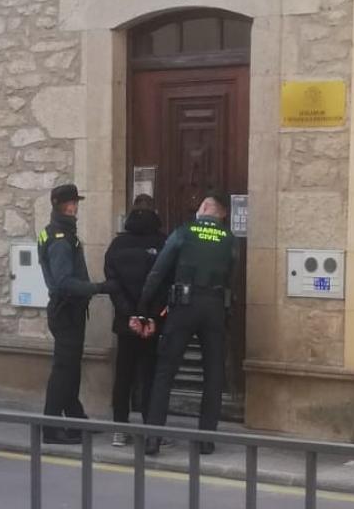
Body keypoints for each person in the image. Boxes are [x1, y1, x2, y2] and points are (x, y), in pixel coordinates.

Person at [138, 190, 236, 455]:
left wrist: (144, 305)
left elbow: (159, 270)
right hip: (214, 308)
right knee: (213, 375)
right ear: (222, 214)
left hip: (183, 306)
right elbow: (232, 278)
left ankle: (153, 438)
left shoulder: (184, 232)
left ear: (204, 207)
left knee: (165, 372)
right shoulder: (229, 238)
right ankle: (205, 440)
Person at [37, 183, 115, 444]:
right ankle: (50, 428)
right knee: (63, 371)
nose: (75, 208)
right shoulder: (61, 239)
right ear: (62, 206)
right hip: (66, 310)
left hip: (68, 310)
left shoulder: (56, 232)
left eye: (76, 203)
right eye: (71, 204)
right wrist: (98, 288)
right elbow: (64, 282)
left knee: (70, 369)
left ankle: (75, 418)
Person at [103, 197, 165, 447]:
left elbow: (113, 284)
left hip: (126, 322)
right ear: (155, 212)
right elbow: (166, 283)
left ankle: (120, 427)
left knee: (124, 375)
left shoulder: (117, 244)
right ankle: (151, 429)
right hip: (151, 324)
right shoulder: (163, 243)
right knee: (150, 375)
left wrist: (129, 314)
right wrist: (151, 316)